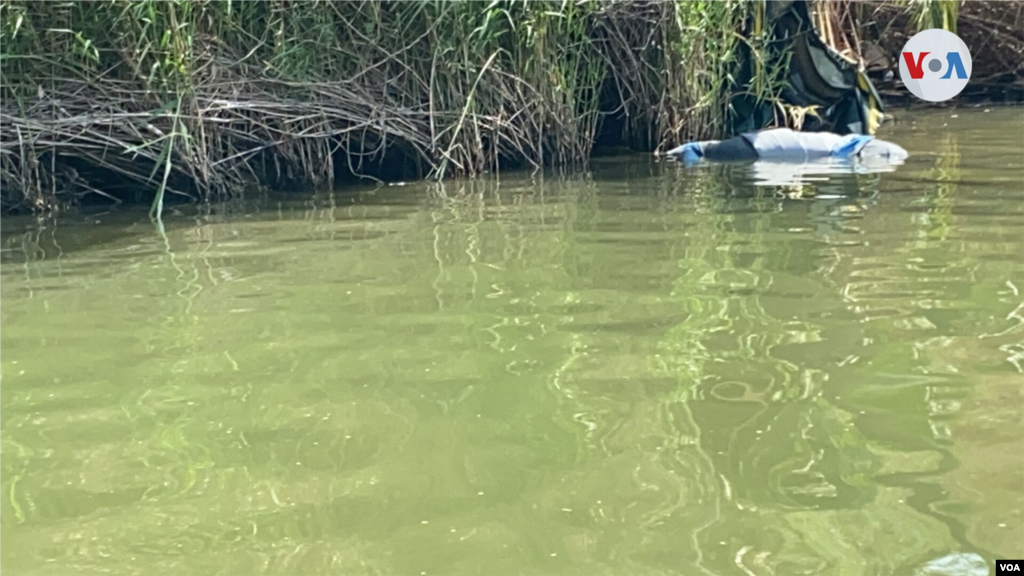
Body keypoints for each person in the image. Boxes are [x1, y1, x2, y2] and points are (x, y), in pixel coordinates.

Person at [665, 127, 908, 166]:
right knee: (705, 151)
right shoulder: (847, 148)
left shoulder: (847, 145)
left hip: (768, 144)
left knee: (706, 151)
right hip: (762, 147)